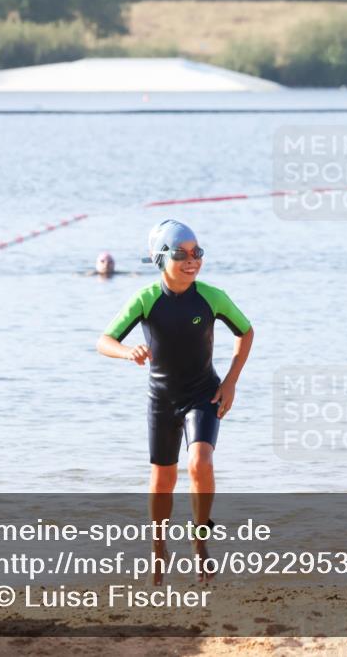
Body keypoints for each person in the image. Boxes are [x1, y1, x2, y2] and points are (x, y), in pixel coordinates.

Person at [96, 220, 254, 584]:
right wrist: (126, 352)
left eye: (197, 252)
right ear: (159, 258)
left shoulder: (211, 297)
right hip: (163, 398)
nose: (191, 260)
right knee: (162, 479)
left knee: (200, 461)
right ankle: (158, 548)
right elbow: (104, 340)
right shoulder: (146, 299)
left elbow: (245, 331)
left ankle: (200, 543)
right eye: (181, 254)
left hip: (204, 392)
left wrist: (230, 382)